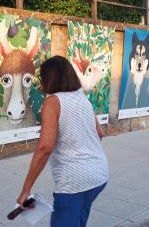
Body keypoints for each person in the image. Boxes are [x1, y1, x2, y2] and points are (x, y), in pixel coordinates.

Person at [16, 56, 108, 227]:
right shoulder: (82, 98)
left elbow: (45, 147)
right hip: (99, 175)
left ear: (48, 78)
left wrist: (26, 189)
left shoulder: (52, 102)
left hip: (73, 182)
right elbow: (100, 133)